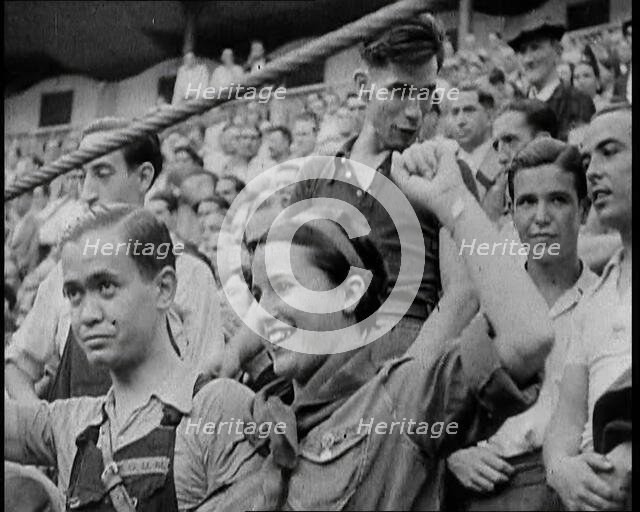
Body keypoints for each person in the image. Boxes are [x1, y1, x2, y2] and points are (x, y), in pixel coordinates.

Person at [215, 137, 553, 510]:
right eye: (258, 294)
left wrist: (453, 202)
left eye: (284, 286)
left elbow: (528, 338)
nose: (266, 312)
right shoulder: (250, 429)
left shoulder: (400, 398)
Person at [5, 205, 264, 510]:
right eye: (74, 294)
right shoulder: (72, 424)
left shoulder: (216, 410)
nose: (88, 314)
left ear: (163, 289)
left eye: (106, 287)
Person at [4, 117, 224, 402]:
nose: (87, 193)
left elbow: (208, 380)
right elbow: (17, 365)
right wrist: (46, 429)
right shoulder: (64, 274)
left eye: (102, 173)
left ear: (144, 177)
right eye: (83, 176)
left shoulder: (190, 274)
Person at [287, 18, 463, 363]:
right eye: (399, 91)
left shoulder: (442, 172)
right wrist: (228, 359)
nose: (415, 112)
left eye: (425, 94)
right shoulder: (315, 175)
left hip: (401, 344)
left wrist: (409, 375)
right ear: (364, 86)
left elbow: (463, 294)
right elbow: (285, 282)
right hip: (323, 344)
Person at [446, 138, 598, 510]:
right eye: (527, 202)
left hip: (569, 489)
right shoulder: (486, 300)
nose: (541, 217)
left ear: (583, 209)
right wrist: (453, 455)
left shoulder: (605, 300)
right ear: (511, 213)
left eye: (558, 200)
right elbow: (439, 401)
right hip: (486, 488)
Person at [544, 104, 632, 511]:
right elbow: (565, 423)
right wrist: (561, 469)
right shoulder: (591, 300)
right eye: (587, 159)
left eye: (610, 152)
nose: (593, 171)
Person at [504, 2, 595, 140]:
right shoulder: (516, 108)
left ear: (557, 51)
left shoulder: (577, 101)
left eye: (536, 48)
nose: (528, 59)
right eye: (522, 51)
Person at [448, 82, 500, 200]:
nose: (460, 121)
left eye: (469, 111)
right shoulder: (444, 164)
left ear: (490, 116)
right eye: (455, 112)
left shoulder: (505, 161)